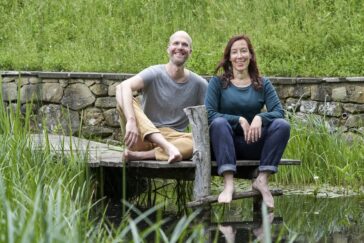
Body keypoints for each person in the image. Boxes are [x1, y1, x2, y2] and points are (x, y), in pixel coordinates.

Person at [204, 35, 290, 208]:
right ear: (229, 57)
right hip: (224, 146)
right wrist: (239, 120)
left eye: (244, 51)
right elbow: (209, 114)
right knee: (219, 123)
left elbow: (279, 112)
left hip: (252, 143)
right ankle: (228, 184)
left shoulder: (262, 84)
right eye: (234, 52)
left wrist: (260, 117)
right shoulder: (217, 83)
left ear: (250, 55)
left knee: (282, 125)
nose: (239, 56)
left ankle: (262, 180)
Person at [115, 31, 208, 163]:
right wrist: (131, 121)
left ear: (190, 52)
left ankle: (142, 156)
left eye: (184, 45)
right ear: (168, 49)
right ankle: (167, 148)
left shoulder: (199, 84)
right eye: (176, 43)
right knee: (123, 95)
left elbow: (211, 114)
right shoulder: (154, 72)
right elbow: (122, 87)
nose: (180, 47)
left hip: (174, 138)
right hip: (142, 136)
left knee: (200, 142)